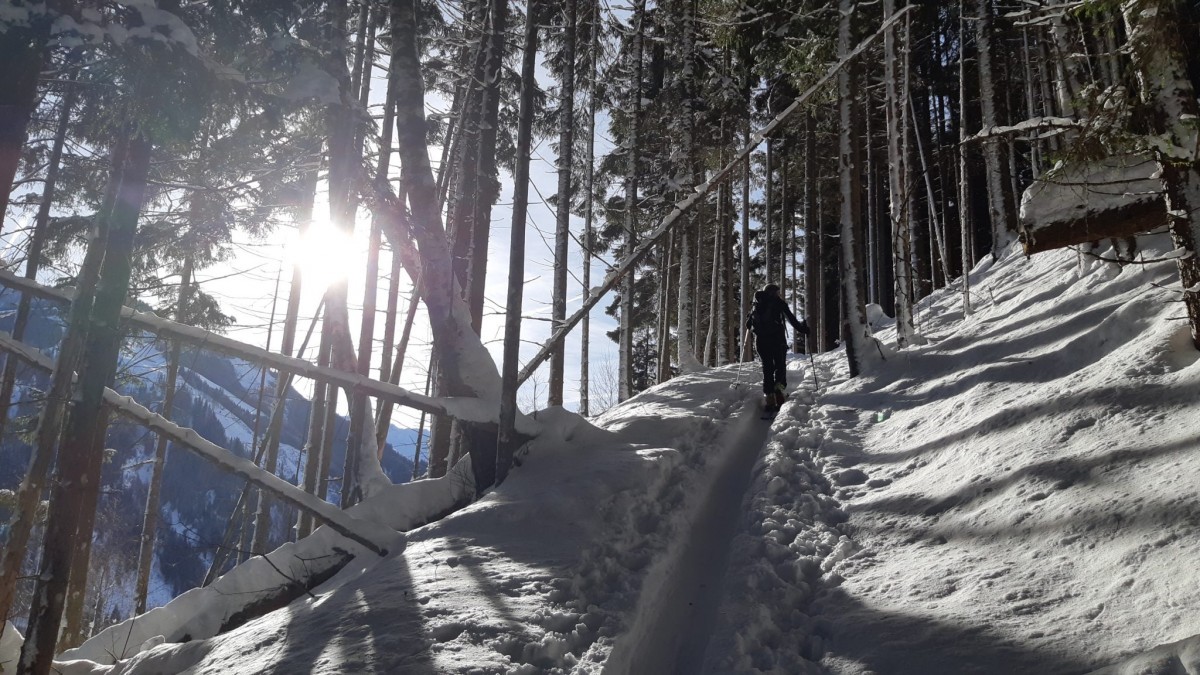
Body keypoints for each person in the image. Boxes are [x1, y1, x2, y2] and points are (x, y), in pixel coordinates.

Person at [746, 283, 808, 412]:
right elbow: (791, 320)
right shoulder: (779, 303)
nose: (779, 294)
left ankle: (769, 397)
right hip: (777, 341)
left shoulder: (756, 304)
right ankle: (779, 393)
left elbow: (748, 325)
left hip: (761, 342)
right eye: (778, 292)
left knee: (767, 367)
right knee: (780, 366)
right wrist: (804, 329)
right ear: (774, 293)